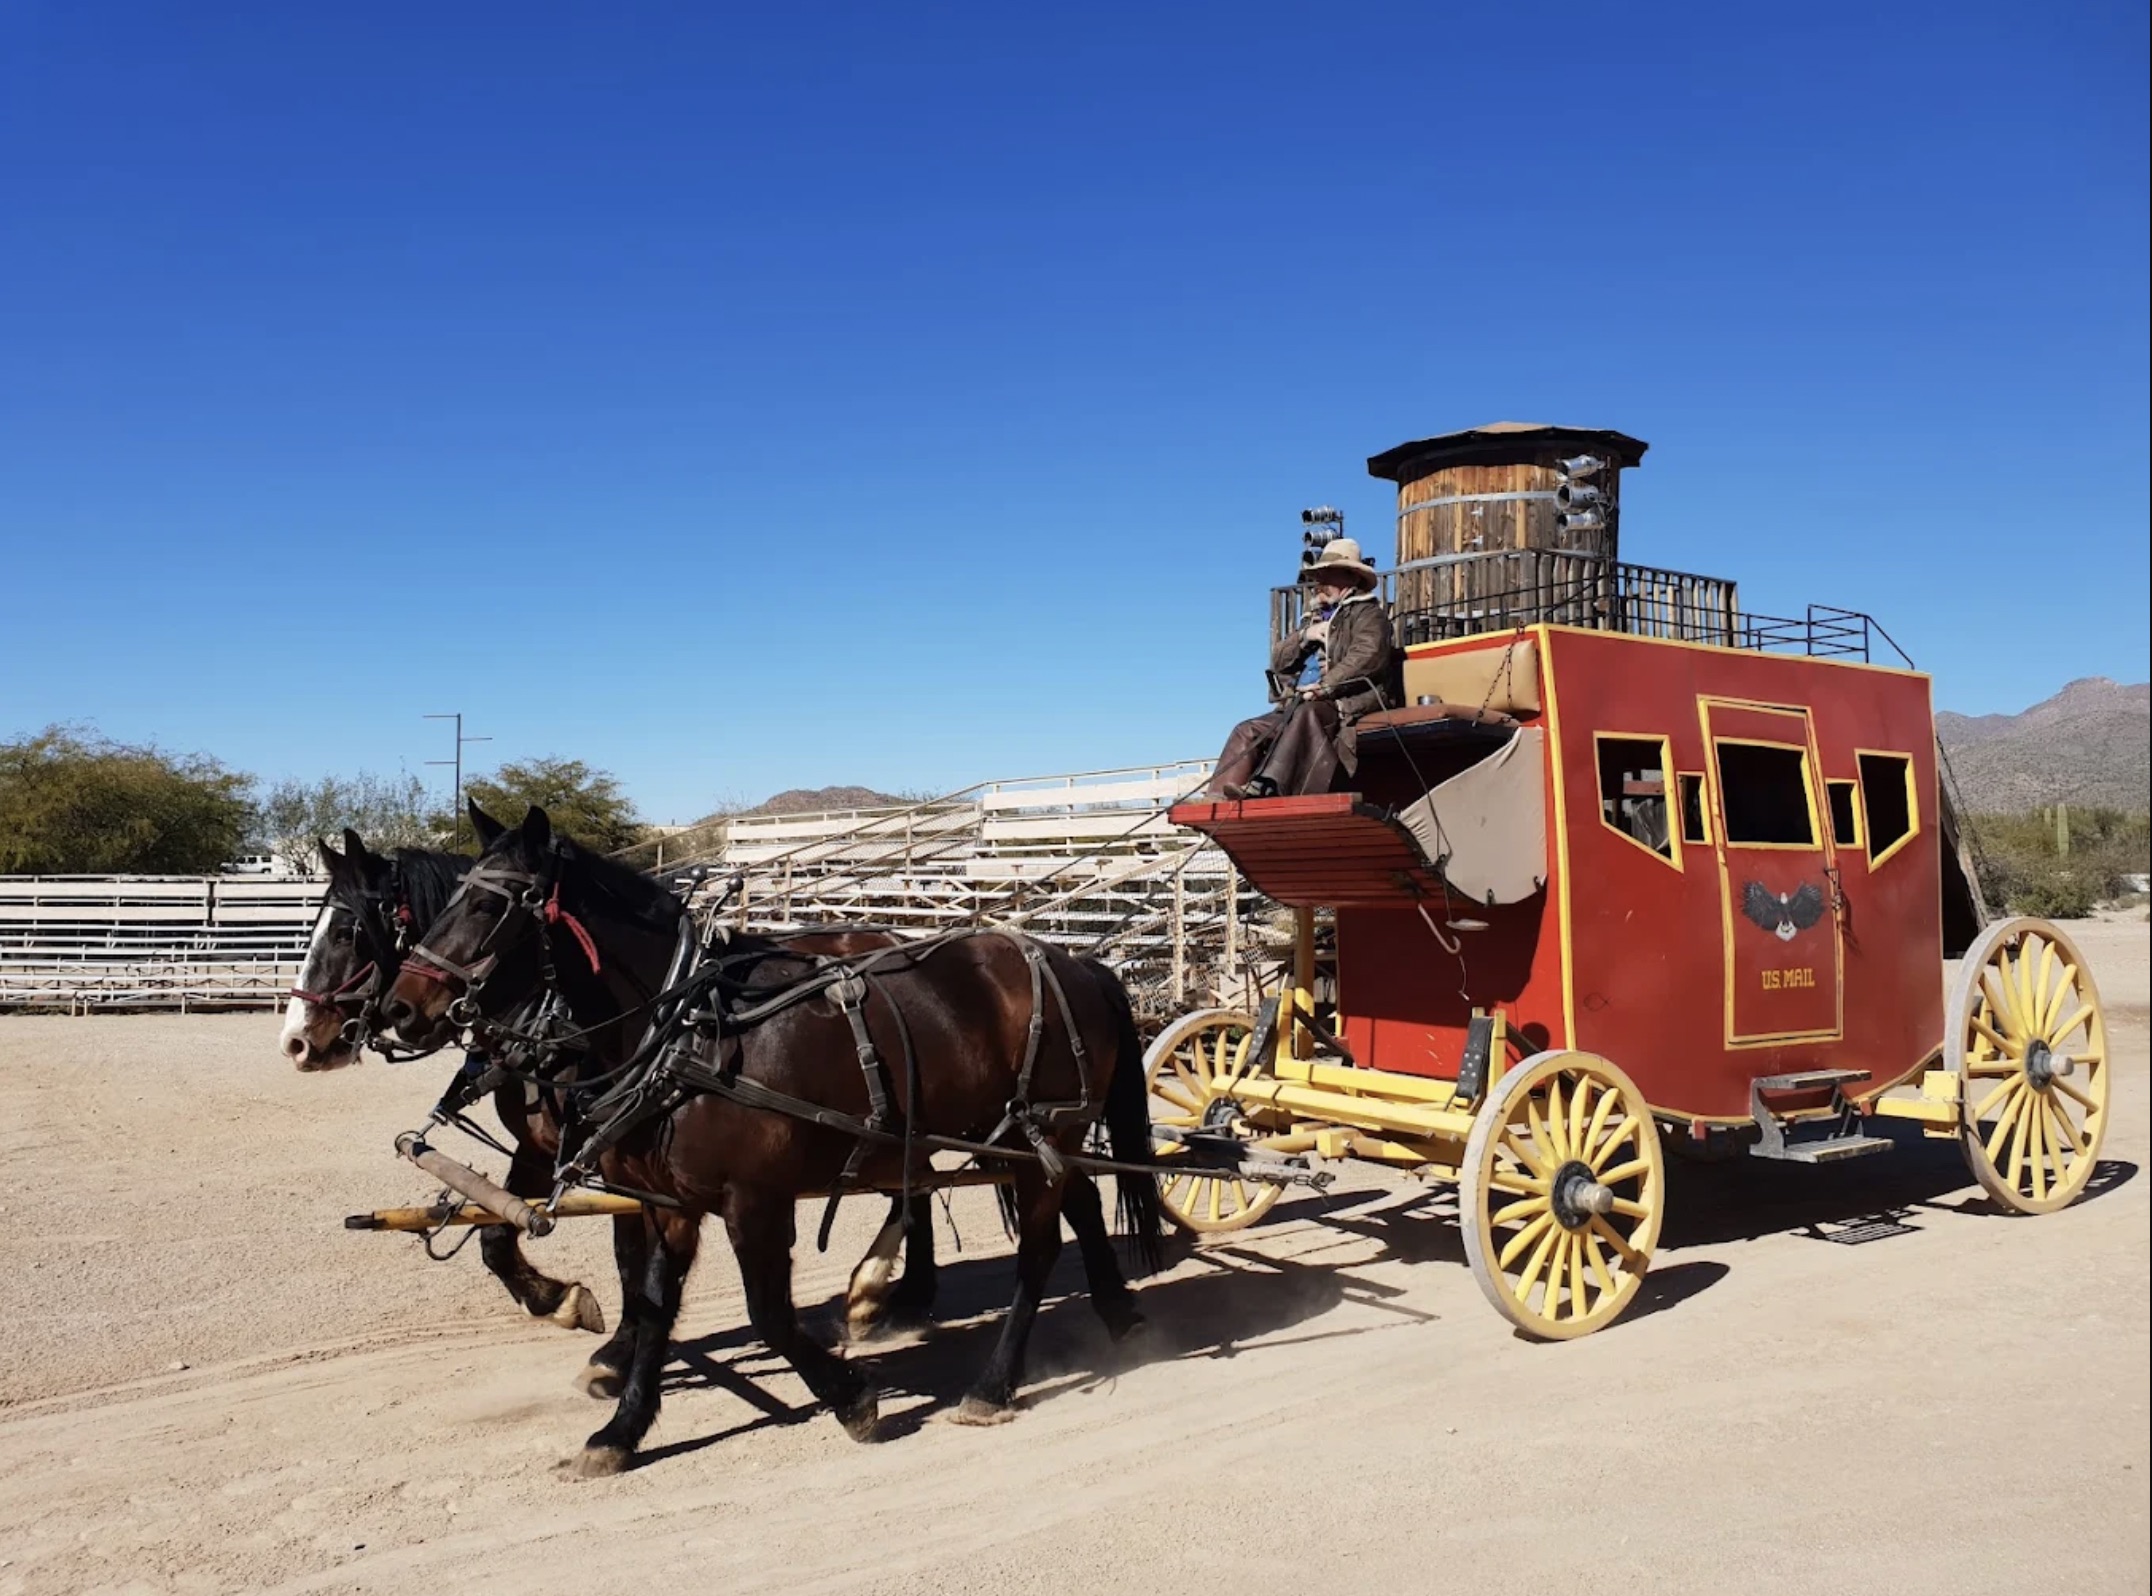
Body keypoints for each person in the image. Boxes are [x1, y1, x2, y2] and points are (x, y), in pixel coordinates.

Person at [1205, 538, 1402, 799]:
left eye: (1327, 575)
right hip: (1298, 704)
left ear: (1351, 578)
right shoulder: (1313, 619)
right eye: (1317, 576)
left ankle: (1270, 788)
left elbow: (1367, 657)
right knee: (1247, 730)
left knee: (1307, 714)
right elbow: (1279, 662)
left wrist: (1325, 686)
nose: (1319, 582)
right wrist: (1305, 636)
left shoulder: (1369, 615)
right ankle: (1216, 801)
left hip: (1346, 702)